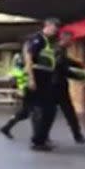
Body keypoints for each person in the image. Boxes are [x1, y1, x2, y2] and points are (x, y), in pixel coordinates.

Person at [25, 18, 59, 151]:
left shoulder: (47, 41)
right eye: (54, 27)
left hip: (46, 77)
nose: (56, 30)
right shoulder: (38, 39)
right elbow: (29, 56)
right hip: (39, 76)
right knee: (45, 110)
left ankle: (41, 139)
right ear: (48, 26)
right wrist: (31, 78)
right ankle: (38, 141)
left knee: (48, 110)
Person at [51, 31, 85, 143]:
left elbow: (66, 62)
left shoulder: (59, 50)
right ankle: (77, 136)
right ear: (64, 39)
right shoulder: (58, 51)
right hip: (57, 86)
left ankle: (77, 135)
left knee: (61, 112)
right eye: (70, 40)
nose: (72, 42)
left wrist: (78, 65)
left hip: (57, 85)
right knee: (65, 112)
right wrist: (81, 76)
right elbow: (62, 69)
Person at [0, 53, 33, 139]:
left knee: (25, 113)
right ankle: (6, 127)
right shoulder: (21, 70)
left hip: (25, 91)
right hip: (27, 91)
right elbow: (17, 80)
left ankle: (6, 127)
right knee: (30, 112)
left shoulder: (15, 70)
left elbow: (13, 81)